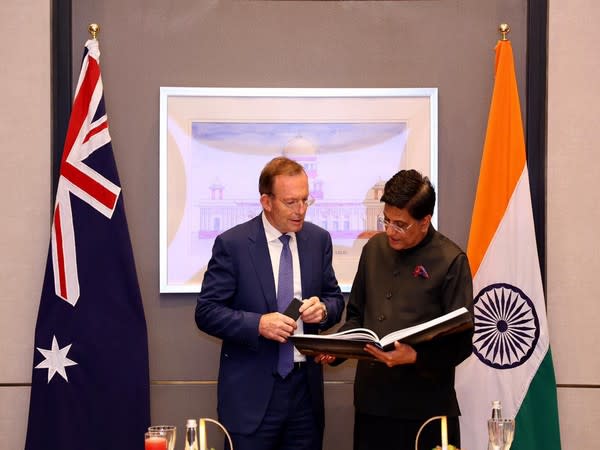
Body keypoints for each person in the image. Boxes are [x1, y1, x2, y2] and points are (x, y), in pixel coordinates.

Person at [195, 156, 345, 450]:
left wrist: (324, 310)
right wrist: (258, 324)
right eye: (291, 202)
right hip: (251, 396)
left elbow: (335, 299)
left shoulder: (318, 240)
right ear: (266, 201)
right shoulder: (234, 244)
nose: (300, 211)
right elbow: (207, 311)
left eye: (305, 201)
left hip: (305, 393)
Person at [321, 169, 474, 450]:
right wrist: (338, 348)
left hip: (425, 407)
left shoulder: (451, 260)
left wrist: (416, 356)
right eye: (386, 220)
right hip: (372, 403)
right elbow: (356, 315)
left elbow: (462, 344)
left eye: (401, 225)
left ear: (425, 221)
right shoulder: (374, 249)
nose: (390, 231)